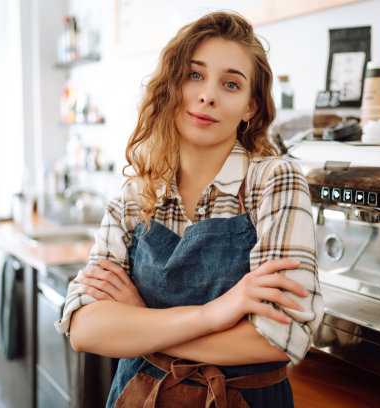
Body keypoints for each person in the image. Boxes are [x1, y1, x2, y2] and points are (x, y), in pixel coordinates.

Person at [55, 10, 323, 408]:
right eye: (194, 75)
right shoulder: (135, 195)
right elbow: (85, 329)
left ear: (249, 106)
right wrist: (215, 314)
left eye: (230, 84)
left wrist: (140, 320)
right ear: (171, 85)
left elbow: (282, 337)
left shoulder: (274, 182)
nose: (208, 95)